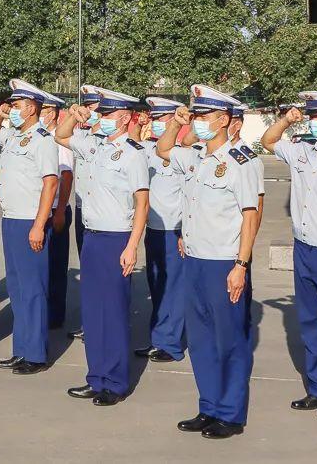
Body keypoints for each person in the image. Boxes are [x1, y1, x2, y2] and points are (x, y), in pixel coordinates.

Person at [156, 85, 259, 440]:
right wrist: (175, 123)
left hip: (224, 262)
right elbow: (163, 149)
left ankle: (230, 414)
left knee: (229, 339)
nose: (198, 122)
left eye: (203, 116)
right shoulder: (195, 155)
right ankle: (209, 406)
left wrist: (241, 265)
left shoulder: (242, 160)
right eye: (195, 116)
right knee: (200, 339)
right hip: (195, 259)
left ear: (224, 119)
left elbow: (250, 216)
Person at [55, 87, 149, 406]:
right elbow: (60, 135)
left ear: (124, 118)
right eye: (101, 113)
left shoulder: (134, 153)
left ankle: (116, 381)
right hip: (92, 235)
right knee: (93, 312)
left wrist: (132, 245)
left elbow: (142, 203)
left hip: (116, 238)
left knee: (114, 312)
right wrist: (73, 114)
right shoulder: (92, 144)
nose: (101, 119)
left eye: (107, 114)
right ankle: (96, 377)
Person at [262, 91, 317, 418]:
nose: (314, 121)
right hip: (304, 248)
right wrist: (286, 119)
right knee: (311, 322)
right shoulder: (302, 149)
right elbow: (268, 141)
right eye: (311, 115)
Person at [0, 79, 58, 374]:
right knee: (16, 288)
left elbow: (51, 183)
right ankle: (21, 349)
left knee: (33, 289)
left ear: (31, 109)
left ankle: (36, 354)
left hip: (30, 220)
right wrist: (0, 115)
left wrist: (40, 224)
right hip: (12, 218)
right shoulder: (13, 136)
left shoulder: (42, 140)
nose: (12, 109)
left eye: (16, 106)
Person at [134, 97, 186, 364]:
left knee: (173, 288)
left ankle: (171, 343)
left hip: (173, 230)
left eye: (158, 118)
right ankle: (158, 338)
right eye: (152, 118)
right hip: (153, 229)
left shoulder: (182, 153)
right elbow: (131, 145)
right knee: (156, 285)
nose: (153, 122)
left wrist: (184, 233)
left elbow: (190, 197)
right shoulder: (147, 149)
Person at [69, 84, 103, 341]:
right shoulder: (82, 138)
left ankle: (107, 323)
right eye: (87, 108)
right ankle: (90, 322)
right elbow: (61, 135)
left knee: (106, 278)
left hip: (107, 220)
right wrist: (73, 116)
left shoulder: (114, 145)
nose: (88, 113)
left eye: (93, 109)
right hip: (84, 212)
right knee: (88, 272)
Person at [41, 93, 74, 330]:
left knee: (55, 265)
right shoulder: (38, 137)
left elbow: (66, 176)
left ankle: (54, 315)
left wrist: (61, 210)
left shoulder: (59, 140)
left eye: (41, 111)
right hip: (40, 211)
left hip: (55, 211)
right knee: (40, 266)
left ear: (51, 114)